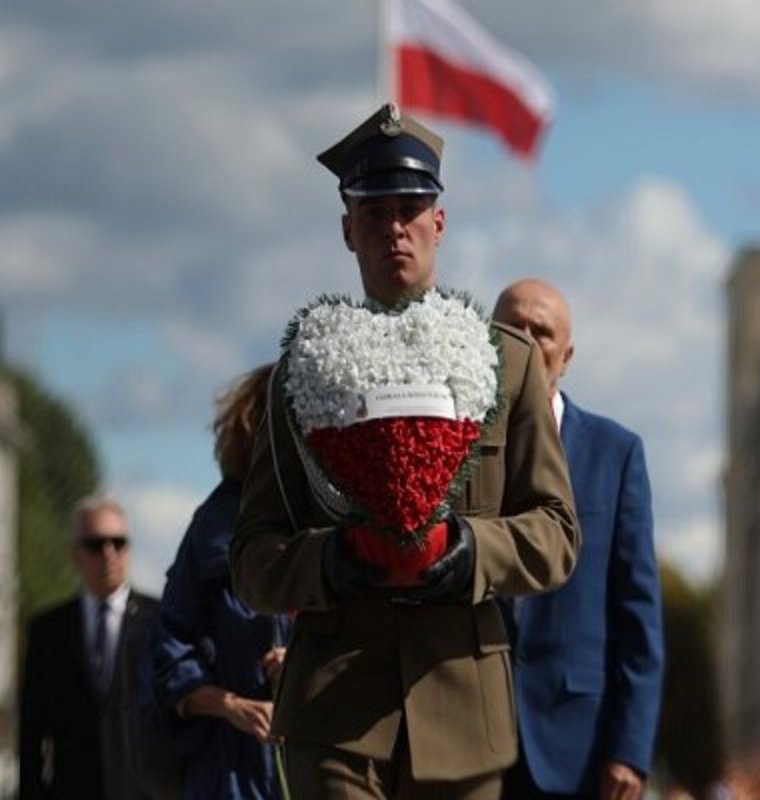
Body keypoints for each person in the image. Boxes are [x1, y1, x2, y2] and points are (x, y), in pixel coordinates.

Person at [230, 104, 579, 800]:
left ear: (439, 223)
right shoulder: (304, 370)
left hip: (459, 705)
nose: (395, 227)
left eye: (412, 208)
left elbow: (557, 534)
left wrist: (472, 553)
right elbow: (252, 560)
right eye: (375, 211)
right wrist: (327, 562)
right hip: (335, 712)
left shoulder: (506, 365)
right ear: (347, 230)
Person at [493, 279, 664, 800]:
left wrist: (630, 749)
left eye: (540, 332)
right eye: (510, 328)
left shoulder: (615, 454)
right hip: (472, 742)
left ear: (565, 357)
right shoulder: (450, 450)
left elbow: (638, 613)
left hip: (578, 750)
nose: (524, 341)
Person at [150, 363, 290, 799]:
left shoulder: (341, 518)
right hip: (229, 771)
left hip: (320, 760)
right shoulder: (215, 523)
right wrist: (229, 706)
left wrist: (307, 664)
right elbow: (168, 652)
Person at [19, 496, 160, 799]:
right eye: (96, 545)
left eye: (118, 543)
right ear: (76, 554)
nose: (108, 553)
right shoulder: (48, 630)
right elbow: (31, 729)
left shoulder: (160, 622)